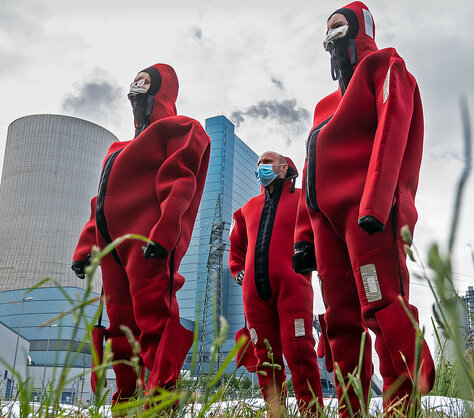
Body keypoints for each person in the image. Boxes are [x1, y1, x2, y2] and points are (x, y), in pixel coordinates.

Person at [293, 2, 435, 414]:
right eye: (326, 29)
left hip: (367, 214)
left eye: (339, 25)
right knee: (338, 319)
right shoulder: (323, 106)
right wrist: (304, 236)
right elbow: (310, 168)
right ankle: (350, 408)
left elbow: (393, 129)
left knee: (381, 302)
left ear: (359, 29)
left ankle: (403, 400)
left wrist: (376, 203)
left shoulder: (385, 66)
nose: (330, 35)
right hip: (325, 224)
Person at [71, 63, 210, 402]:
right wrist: (85, 248)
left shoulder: (180, 128)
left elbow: (181, 181)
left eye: (144, 81)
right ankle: (125, 402)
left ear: (162, 90)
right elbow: (100, 201)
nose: (135, 86)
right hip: (112, 250)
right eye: (134, 80)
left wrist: (164, 233)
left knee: (155, 320)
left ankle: (162, 401)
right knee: (120, 327)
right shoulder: (116, 149)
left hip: (146, 243)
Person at [229, 152, 323, 416]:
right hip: (254, 293)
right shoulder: (247, 209)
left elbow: (322, 230)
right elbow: (236, 246)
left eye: (267, 162)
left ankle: (312, 412)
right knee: (265, 358)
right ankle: (275, 412)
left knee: (299, 350)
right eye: (259, 163)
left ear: (284, 167)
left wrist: (315, 260)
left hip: (293, 286)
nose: (261, 166)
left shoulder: (304, 197)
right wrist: (238, 270)